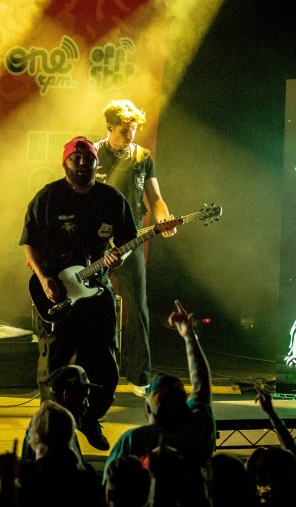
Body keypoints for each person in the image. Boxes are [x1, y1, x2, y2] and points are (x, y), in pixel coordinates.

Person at [20, 136, 138, 451]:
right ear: (65, 162)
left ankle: (90, 418)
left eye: (88, 159)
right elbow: (29, 242)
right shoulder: (48, 197)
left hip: (97, 291)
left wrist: (119, 257)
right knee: (54, 363)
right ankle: (50, 429)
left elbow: (127, 241)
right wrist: (45, 279)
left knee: (105, 363)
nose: (83, 164)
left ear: (97, 163)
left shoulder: (112, 199)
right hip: (58, 291)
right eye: (77, 159)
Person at [93, 99, 176, 395]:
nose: (130, 136)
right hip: (97, 243)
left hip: (131, 239)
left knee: (138, 307)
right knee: (93, 306)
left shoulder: (143, 156)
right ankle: (95, 372)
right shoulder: (92, 154)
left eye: (134, 130)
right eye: (124, 131)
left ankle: (140, 377)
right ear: (109, 127)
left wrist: (164, 220)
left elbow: (156, 199)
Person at [105, 300, 214, 507]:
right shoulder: (199, 428)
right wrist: (189, 337)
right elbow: (202, 385)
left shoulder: (134, 440)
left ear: (148, 408)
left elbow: (111, 488)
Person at [21, 365, 97, 461]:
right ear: (67, 395)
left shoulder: (49, 423)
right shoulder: (55, 431)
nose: (87, 404)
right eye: (84, 397)